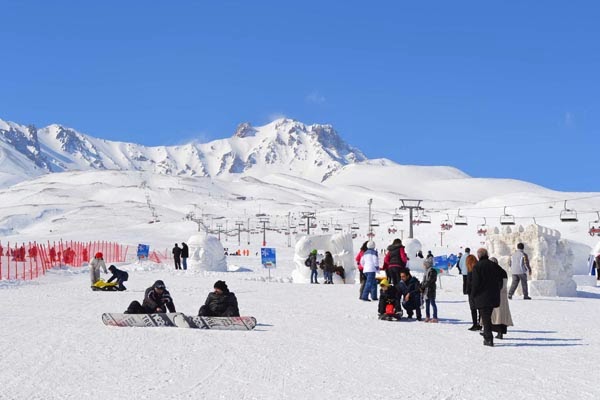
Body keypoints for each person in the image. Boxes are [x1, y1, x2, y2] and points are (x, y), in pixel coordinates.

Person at [471, 248, 504, 347]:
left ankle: (488, 338)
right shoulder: (494, 265)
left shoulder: (477, 266)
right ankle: (488, 334)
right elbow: (501, 277)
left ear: (479, 256)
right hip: (493, 295)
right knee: (487, 317)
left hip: (482, 296)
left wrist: (473, 294)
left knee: (486, 318)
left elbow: (475, 283)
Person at [489, 257, 513, 339]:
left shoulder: (493, 271)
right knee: (501, 314)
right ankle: (500, 332)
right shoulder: (502, 271)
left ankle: (494, 332)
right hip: (503, 296)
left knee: (495, 315)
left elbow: (497, 284)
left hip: (495, 295)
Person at [465, 254, 481, 331]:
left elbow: (470, 282)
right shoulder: (478, 268)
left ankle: (475, 324)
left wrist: (468, 290)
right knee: (480, 308)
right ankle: (480, 323)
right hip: (479, 291)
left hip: (472, 292)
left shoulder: (471, 270)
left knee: (473, 309)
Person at [421, 257, 438, 323]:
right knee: (427, 303)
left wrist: (423, 286)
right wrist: (421, 285)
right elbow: (424, 280)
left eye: (425, 264)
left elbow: (429, 280)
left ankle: (435, 317)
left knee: (432, 303)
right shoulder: (426, 271)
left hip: (431, 289)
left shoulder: (432, 271)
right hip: (426, 290)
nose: (424, 266)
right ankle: (427, 316)